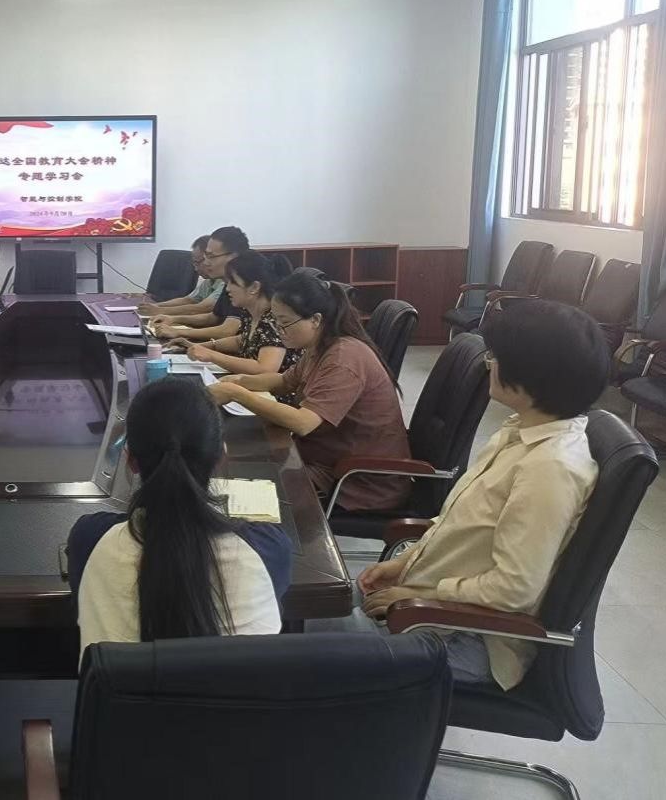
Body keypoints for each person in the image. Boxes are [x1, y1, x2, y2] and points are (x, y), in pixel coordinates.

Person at [357, 300, 608, 689]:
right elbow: (461, 524)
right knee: (321, 617)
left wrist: (419, 596)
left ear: (531, 375)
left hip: (473, 638)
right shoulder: (519, 432)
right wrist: (404, 565)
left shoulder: (550, 468)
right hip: (438, 609)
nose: (489, 363)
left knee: (321, 659)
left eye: (496, 357)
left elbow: (514, 590)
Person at [66, 378, 291, 654]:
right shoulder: (268, 548)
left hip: (119, 685)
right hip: (235, 685)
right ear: (220, 456)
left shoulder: (89, 539)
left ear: (131, 460)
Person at [206, 271, 411, 512]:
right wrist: (241, 381)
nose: (279, 331)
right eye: (276, 322)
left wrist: (236, 394)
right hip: (323, 459)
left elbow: (303, 423)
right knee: (235, 465)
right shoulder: (320, 345)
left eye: (285, 323)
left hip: (356, 482)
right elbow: (284, 381)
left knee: (235, 489)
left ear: (315, 319)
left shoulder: (343, 358)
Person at [168, 250, 300, 379]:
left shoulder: (274, 318)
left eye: (233, 282)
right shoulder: (250, 311)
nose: (227, 288)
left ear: (254, 287)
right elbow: (243, 340)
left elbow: (265, 369)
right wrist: (204, 346)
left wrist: (211, 355)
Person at [150, 226, 248, 343]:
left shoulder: (246, 282)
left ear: (233, 256)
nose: (206, 263)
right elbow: (213, 317)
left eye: (211, 256)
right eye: (205, 256)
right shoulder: (229, 281)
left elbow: (227, 330)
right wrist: (172, 319)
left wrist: (178, 332)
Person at [137, 235, 224, 317]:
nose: (195, 269)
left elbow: (204, 307)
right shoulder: (209, 281)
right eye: (194, 263)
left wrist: (160, 311)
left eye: (197, 263)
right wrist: (155, 306)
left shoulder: (225, 282)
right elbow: (188, 300)